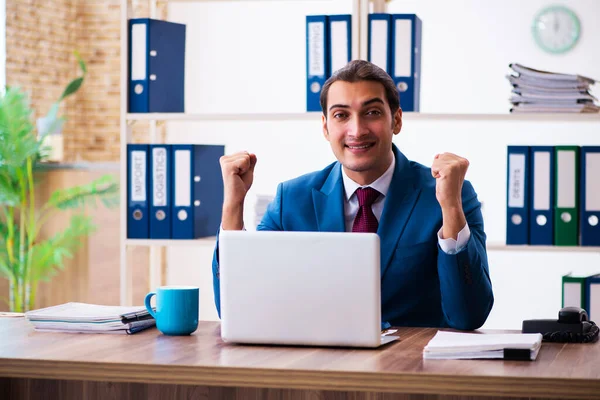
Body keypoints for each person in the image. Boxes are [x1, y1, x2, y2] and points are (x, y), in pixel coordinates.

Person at [212, 59, 493, 330]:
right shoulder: (292, 200)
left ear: (396, 120)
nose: (356, 130)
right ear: (325, 127)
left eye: (372, 113)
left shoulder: (448, 193)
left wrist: (451, 209)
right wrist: (232, 205)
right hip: (321, 368)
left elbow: (469, 315)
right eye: (341, 115)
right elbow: (238, 309)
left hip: (411, 369)